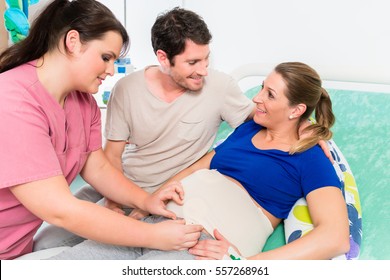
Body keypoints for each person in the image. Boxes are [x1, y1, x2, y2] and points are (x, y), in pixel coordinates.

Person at [49, 62, 350, 260]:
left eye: (269, 94)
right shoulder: (250, 128)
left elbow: (336, 237)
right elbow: (202, 165)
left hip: (203, 242)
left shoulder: (310, 156)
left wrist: (245, 264)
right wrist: (148, 202)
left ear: (296, 110)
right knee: (66, 262)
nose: (257, 98)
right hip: (159, 221)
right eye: (261, 88)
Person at [0, 0, 203, 260]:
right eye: (105, 57)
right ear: (72, 42)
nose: (110, 70)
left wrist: (145, 201)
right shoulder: (13, 99)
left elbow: (98, 168)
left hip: (17, 246)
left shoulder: (83, 102)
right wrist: (152, 235)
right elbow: (60, 209)